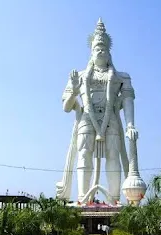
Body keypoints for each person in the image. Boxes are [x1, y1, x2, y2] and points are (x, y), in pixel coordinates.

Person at [56, 18, 137, 204]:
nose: (100, 50)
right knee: (84, 155)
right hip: (86, 118)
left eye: (103, 48)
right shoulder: (80, 76)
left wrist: (130, 124)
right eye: (96, 48)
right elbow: (66, 107)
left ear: (109, 53)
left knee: (113, 156)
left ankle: (114, 200)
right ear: (91, 52)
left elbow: (128, 100)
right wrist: (75, 91)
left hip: (111, 120)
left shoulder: (121, 77)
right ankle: (83, 199)